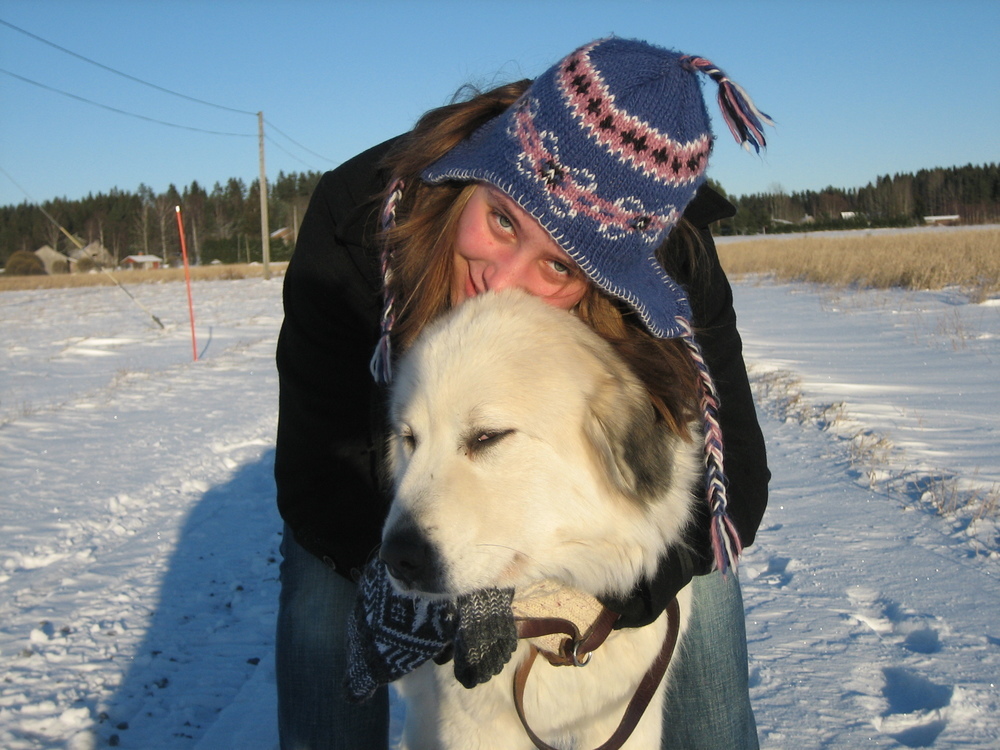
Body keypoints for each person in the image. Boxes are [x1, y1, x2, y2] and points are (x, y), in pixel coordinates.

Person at [274, 37, 771, 750]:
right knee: (322, 609)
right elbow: (321, 471)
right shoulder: (357, 224)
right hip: (375, 476)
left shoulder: (668, 255)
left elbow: (734, 484)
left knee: (706, 587)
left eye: (559, 267)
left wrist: (625, 594)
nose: (503, 280)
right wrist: (433, 595)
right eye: (502, 220)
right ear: (477, 173)